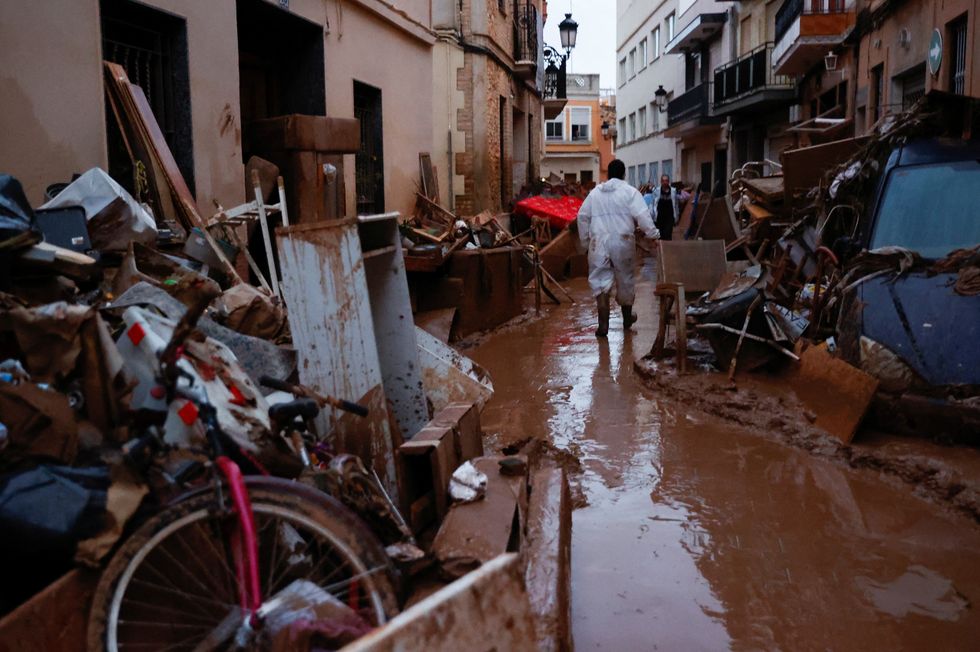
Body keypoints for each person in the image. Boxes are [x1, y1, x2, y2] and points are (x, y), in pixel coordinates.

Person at [577, 159, 660, 337]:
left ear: (607, 174)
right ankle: (627, 319)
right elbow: (643, 217)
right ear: (624, 174)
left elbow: (582, 216)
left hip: (598, 242)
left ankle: (603, 325)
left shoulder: (595, 194)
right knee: (626, 279)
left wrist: (585, 243)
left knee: (600, 282)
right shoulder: (630, 192)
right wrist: (654, 235)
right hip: (623, 241)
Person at [651, 174, 681, 241]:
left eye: (666, 181)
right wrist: (652, 215)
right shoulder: (656, 191)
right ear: (661, 182)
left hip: (669, 218)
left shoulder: (673, 191)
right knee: (659, 236)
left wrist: (677, 216)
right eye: (663, 181)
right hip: (659, 218)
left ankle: (668, 250)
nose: (665, 182)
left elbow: (676, 204)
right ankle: (660, 250)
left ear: (668, 181)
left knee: (668, 235)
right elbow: (652, 204)